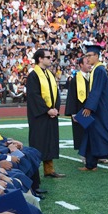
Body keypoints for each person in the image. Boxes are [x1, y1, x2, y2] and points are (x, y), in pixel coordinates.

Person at [26, 49, 64, 178]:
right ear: (40, 59)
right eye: (48, 57)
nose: (50, 59)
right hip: (39, 115)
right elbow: (34, 96)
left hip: (51, 113)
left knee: (50, 141)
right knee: (38, 142)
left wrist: (56, 109)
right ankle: (34, 172)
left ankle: (49, 170)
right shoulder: (33, 75)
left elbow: (56, 93)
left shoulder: (49, 74)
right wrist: (47, 109)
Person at [64, 56, 91, 152]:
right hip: (80, 110)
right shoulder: (75, 79)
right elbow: (71, 97)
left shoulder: (93, 77)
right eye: (87, 63)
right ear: (81, 65)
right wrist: (73, 113)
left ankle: (97, 154)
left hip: (92, 110)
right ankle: (84, 154)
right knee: (81, 133)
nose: (90, 65)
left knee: (94, 133)